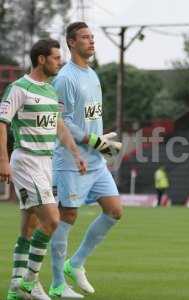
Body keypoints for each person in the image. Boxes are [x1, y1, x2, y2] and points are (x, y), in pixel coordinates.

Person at [0, 39, 87, 300]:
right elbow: (1, 123)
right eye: (55, 57)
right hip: (27, 160)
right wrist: (3, 160)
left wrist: (75, 153)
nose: (59, 62)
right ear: (41, 59)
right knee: (52, 220)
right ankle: (30, 282)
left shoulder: (50, 91)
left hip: (45, 163)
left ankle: (16, 287)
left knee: (29, 225)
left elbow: (59, 126)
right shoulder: (19, 88)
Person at [48, 22, 123, 298]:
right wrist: (91, 140)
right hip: (71, 158)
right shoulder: (65, 78)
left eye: (92, 38)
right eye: (84, 38)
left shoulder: (92, 75)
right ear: (70, 42)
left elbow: (90, 117)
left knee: (114, 210)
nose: (91, 42)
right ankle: (57, 285)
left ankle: (75, 264)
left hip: (95, 159)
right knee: (67, 215)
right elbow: (61, 121)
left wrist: (100, 140)